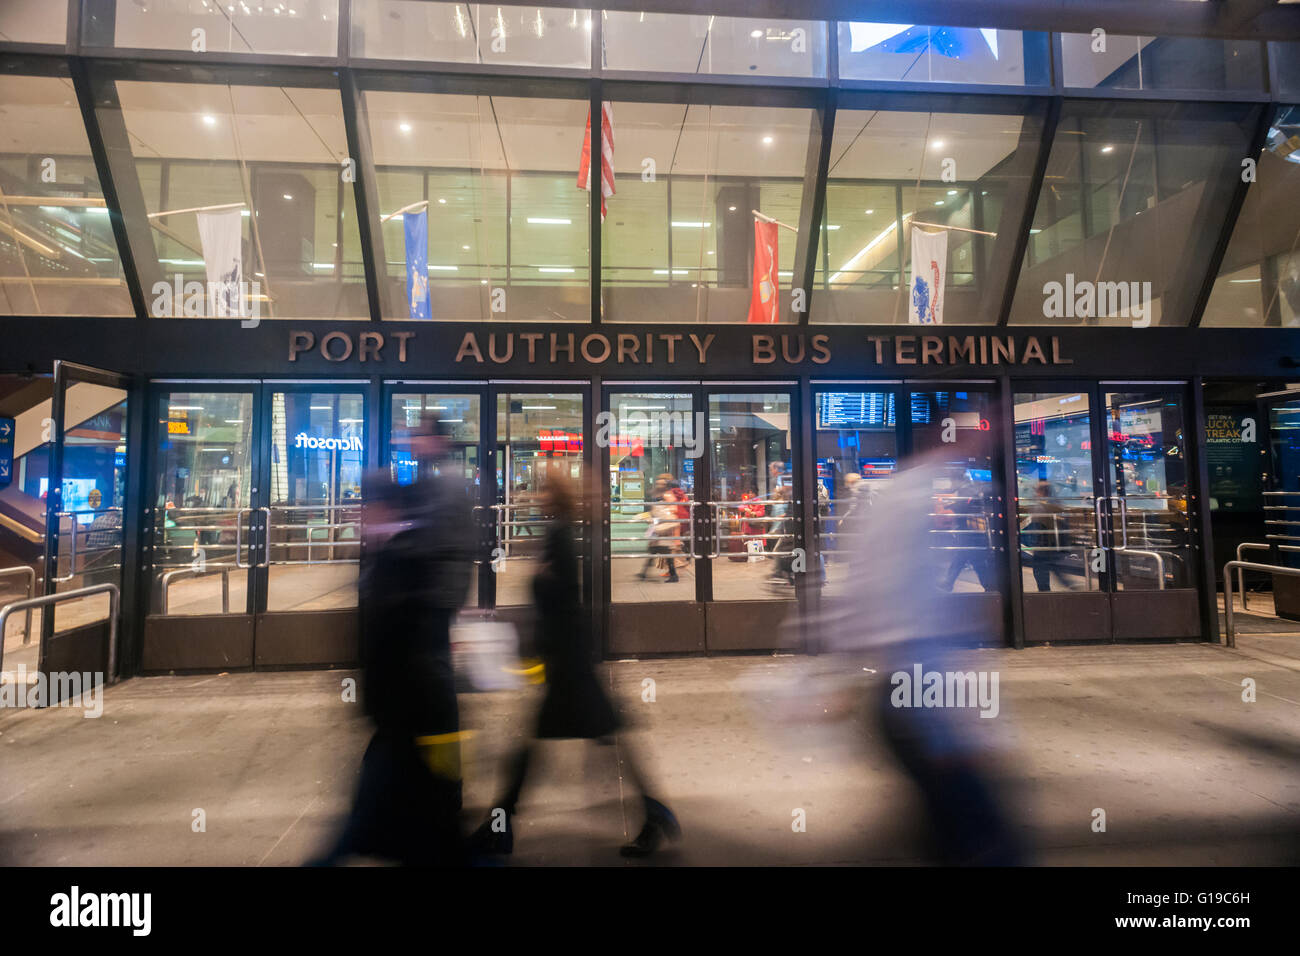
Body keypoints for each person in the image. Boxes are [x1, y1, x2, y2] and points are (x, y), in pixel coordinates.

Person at [472, 475, 681, 858]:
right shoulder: (560, 534)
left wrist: (542, 638)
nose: (536, 496)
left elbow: (559, 599)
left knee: (536, 749)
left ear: (557, 498)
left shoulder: (560, 538)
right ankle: (656, 813)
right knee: (587, 741)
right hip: (569, 664)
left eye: (544, 490)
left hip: (569, 667)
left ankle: (499, 826)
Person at [313, 413, 474, 866]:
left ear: (438, 440)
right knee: (414, 753)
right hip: (413, 668)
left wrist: (443, 612)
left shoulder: (443, 492)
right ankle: (438, 821)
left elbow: (443, 563)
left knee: (413, 752)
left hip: (417, 658)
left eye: (419, 434)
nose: (412, 441)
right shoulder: (423, 496)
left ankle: (431, 821)